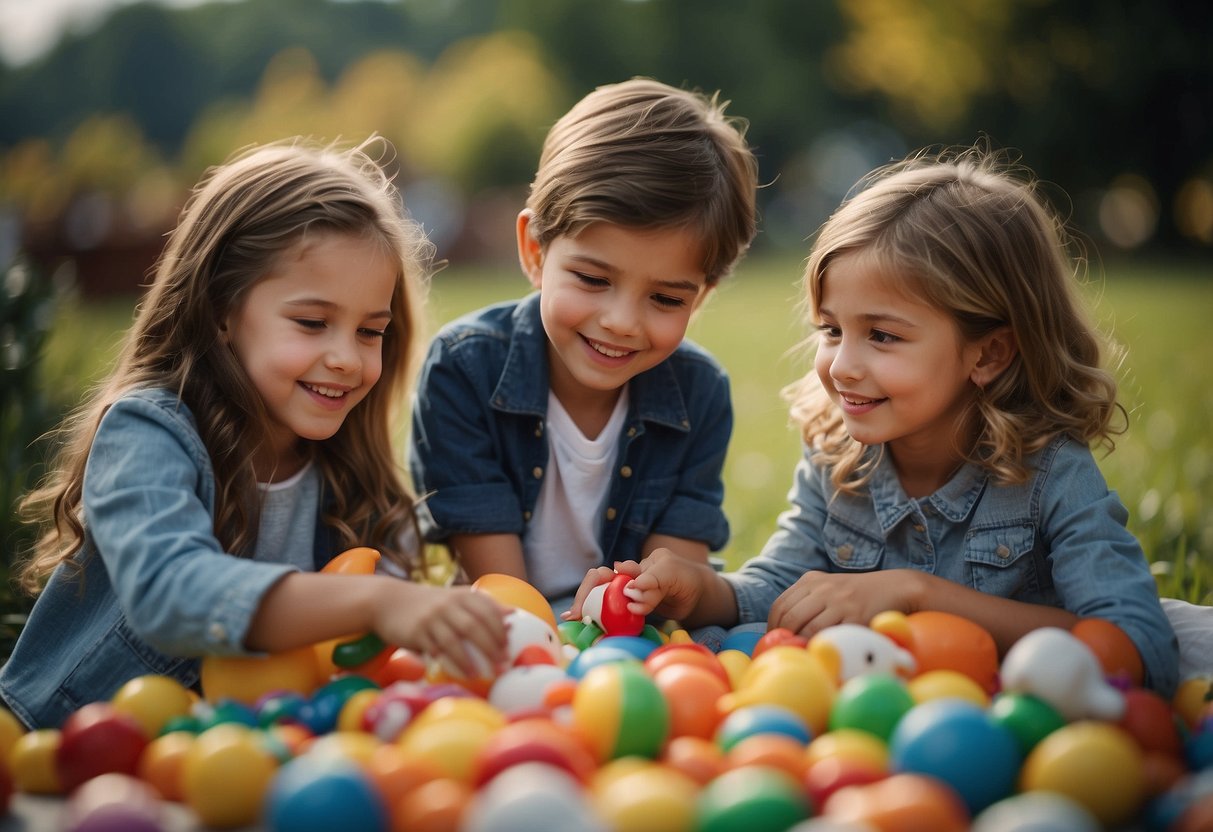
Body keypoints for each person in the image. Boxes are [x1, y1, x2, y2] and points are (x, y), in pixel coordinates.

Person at [568, 145, 1181, 696]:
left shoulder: (1050, 475)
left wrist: (918, 597)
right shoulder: (839, 454)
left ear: (989, 353)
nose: (843, 367)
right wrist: (697, 589)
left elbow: (1140, 651)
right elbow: (782, 586)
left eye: (883, 336)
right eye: (832, 330)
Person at [0, 137, 509, 729]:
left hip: (229, 770)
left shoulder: (347, 475)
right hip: (60, 754)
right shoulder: (148, 433)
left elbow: (368, 660)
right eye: (313, 322)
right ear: (221, 310)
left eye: (370, 331)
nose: (347, 357)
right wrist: (379, 603)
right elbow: (169, 591)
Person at [409, 78, 759, 612]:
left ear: (701, 296)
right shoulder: (465, 368)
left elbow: (671, 585)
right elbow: (505, 597)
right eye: (593, 280)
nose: (621, 322)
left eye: (665, 298)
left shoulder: (698, 393)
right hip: (512, 622)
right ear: (534, 251)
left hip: (630, 635)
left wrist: (643, 603)